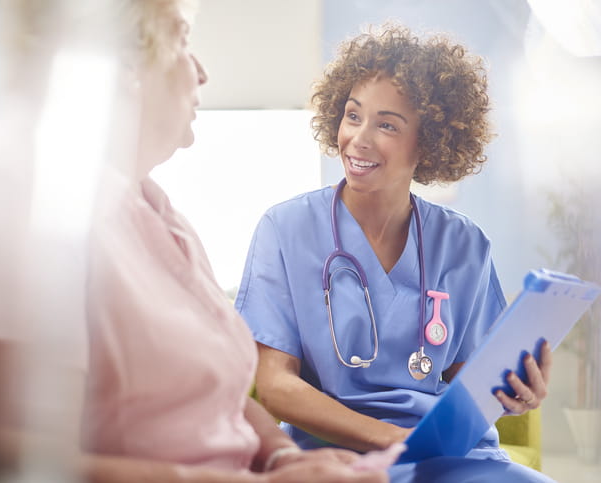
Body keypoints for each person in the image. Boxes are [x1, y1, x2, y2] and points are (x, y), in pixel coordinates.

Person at [0, 2, 389, 482]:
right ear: (119, 65)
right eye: (181, 41)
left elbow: (220, 400)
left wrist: (285, 457)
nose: (201, 71)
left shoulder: (160, 216)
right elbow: (13, 456)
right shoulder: (31, 207)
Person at [236, 24, 556, 482]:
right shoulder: (285, 229)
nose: (359, 139)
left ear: (427, 142)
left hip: (449, 457)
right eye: (353, 115)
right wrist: (392, 438)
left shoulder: (463, 244)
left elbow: (476, 385)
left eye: (387, 124)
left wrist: (516, 392)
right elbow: (275, 386)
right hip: (336, 454)